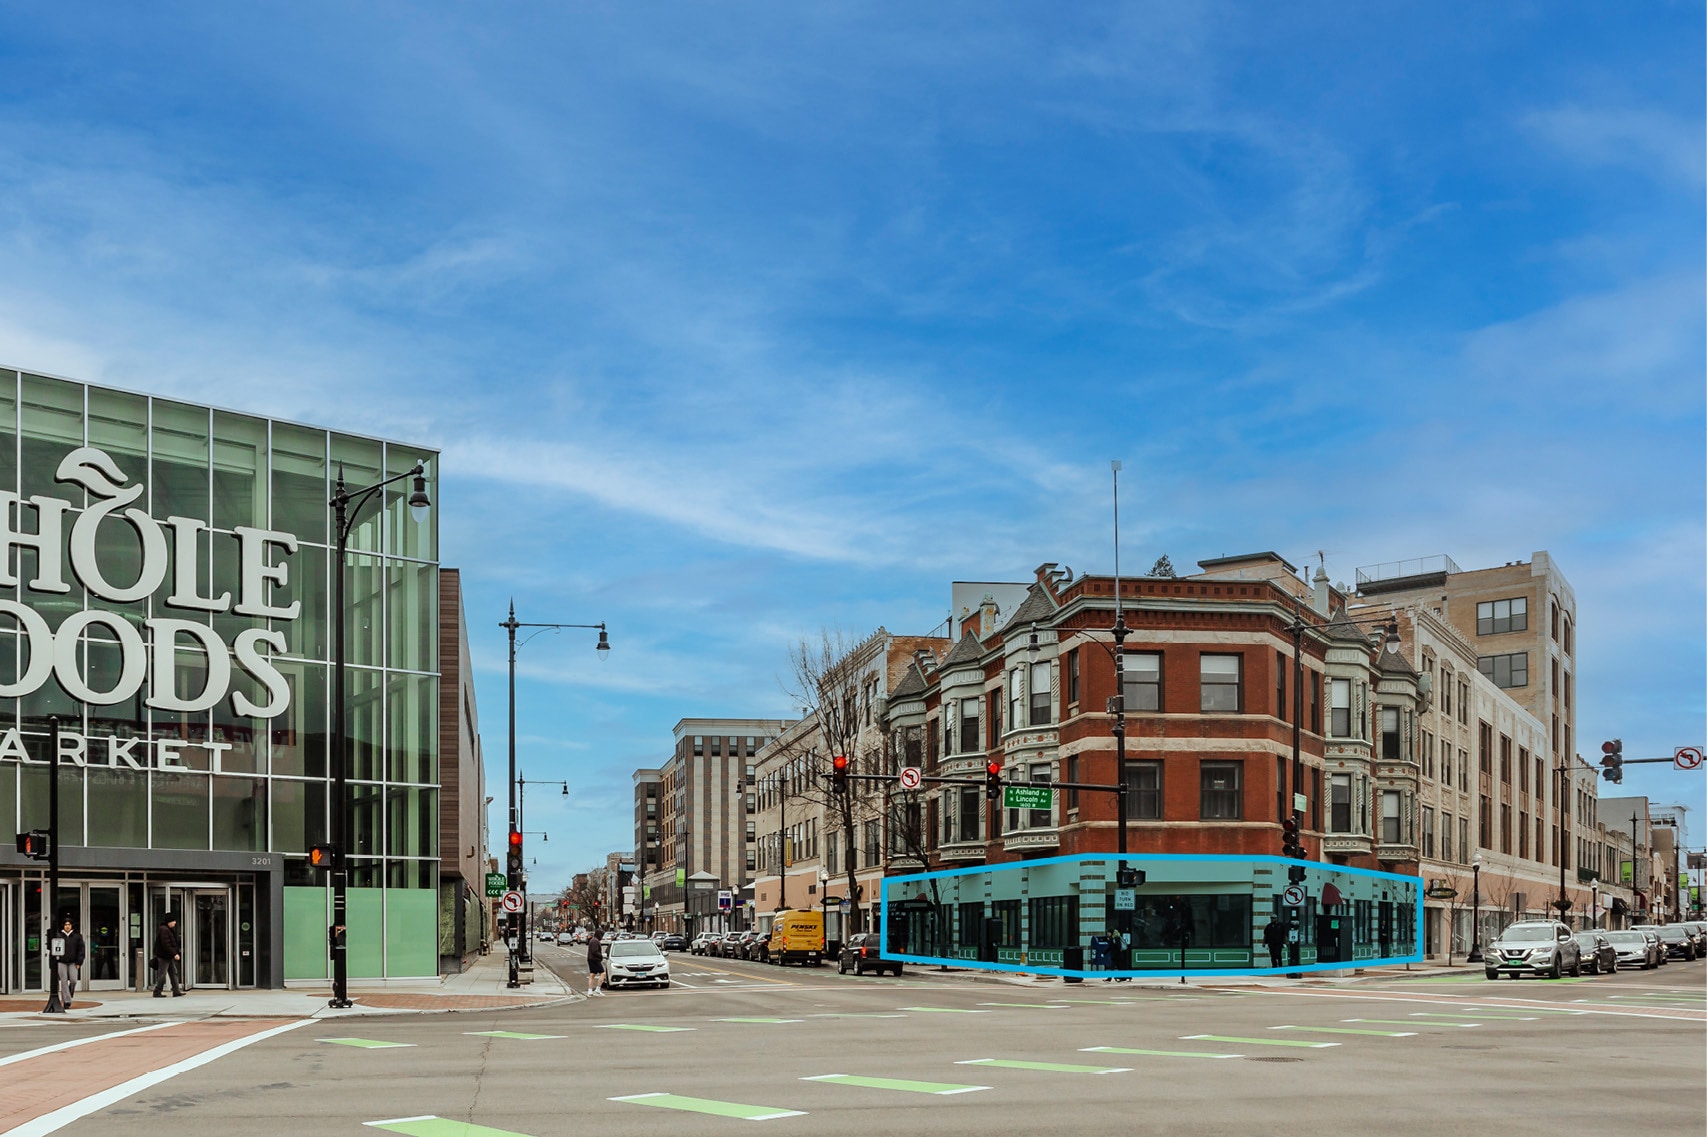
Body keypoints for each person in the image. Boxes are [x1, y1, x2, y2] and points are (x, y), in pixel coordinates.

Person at [54, 916, 86, 1009]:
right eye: (65, 924)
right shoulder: (59, 935)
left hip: (73, 962)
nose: (67, 926)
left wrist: (79, 962)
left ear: (71, 926)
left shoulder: (77, 936)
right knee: (63, 981)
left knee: (73, 980)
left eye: (69, 924)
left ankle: (69, 993)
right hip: (61, 961)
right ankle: (67, 1001)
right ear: (63, 926)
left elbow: (81, 950)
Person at [152, 914, 184, 997]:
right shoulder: (164, 930)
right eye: (173, 921)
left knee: (173, 973)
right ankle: (157, 991)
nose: (175, 923)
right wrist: (174, 954)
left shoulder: (167, 929)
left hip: (168, 956)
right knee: (162, 974)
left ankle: (176, 991)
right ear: (169, 922)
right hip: (164, 956)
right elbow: (166, 944)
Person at [585, 927, 606, 997]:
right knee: (603, 973)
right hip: (595, 960)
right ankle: (598, 989)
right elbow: (595, 951)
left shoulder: (593, 940)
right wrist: (601, 956)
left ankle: (590, 991)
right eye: (602, 935)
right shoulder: (595, 941)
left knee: (592, 975)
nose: (602, 937)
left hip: (591, 959)